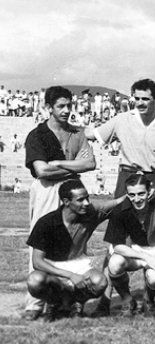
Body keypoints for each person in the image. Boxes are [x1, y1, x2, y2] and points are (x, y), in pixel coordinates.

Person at [22, 86, 96, 320]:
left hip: (72, 191)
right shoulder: (37, 134)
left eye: (69, 106)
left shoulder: (77, 133)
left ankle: (67, 298)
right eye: (60, 106)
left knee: (73, 240)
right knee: (41, 241)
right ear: (48, 108)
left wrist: (59, 163)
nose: (66, 111)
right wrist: (72, 165)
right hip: (46, 191)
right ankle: (34, 302)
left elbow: (91, 164)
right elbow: (41, 170)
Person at [86, 79, 155, 197]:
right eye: (137, 99)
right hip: (128, 180)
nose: (140, 103)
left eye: (145, 99)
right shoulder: (121, 119)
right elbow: (92, 135)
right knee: (122, 214)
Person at [26, 180, 120, 320]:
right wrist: (70, 275)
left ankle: (77, 302)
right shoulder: (47, 222)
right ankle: (54, 302)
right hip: (54, 267)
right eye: (80, 200)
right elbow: (37, 262)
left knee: (100, 281)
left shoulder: (90, 213)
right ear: (66, 201)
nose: (87, 203)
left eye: (87, 198)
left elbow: (115, 203)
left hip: (78, 265)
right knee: (34, 280)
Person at [102, 175, 155, 316]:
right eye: (132, 195)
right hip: (136, 249)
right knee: (114, 263)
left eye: (141, 193)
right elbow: (117, 246)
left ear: (150, 191)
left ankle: (149, 299)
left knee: (154, 277)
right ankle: (127, 299)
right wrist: (146, 257)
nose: (137, 199)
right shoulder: (121, 209)